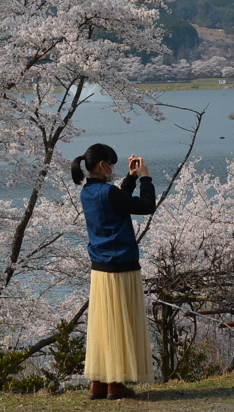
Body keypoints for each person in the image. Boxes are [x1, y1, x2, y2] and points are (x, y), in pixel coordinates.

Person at [72, 143, 156, 400]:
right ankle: (116, 384)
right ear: (102, 165)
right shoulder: (108, 192)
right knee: (121, 323)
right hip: (122, 267)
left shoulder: (88, 192)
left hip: (100, 270)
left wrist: (129, 178)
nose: (113, 169)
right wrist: (145, 177)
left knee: (103, 325)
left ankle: (98, 382)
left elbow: (117, 201)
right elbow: (146, 206)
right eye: (112, 164)